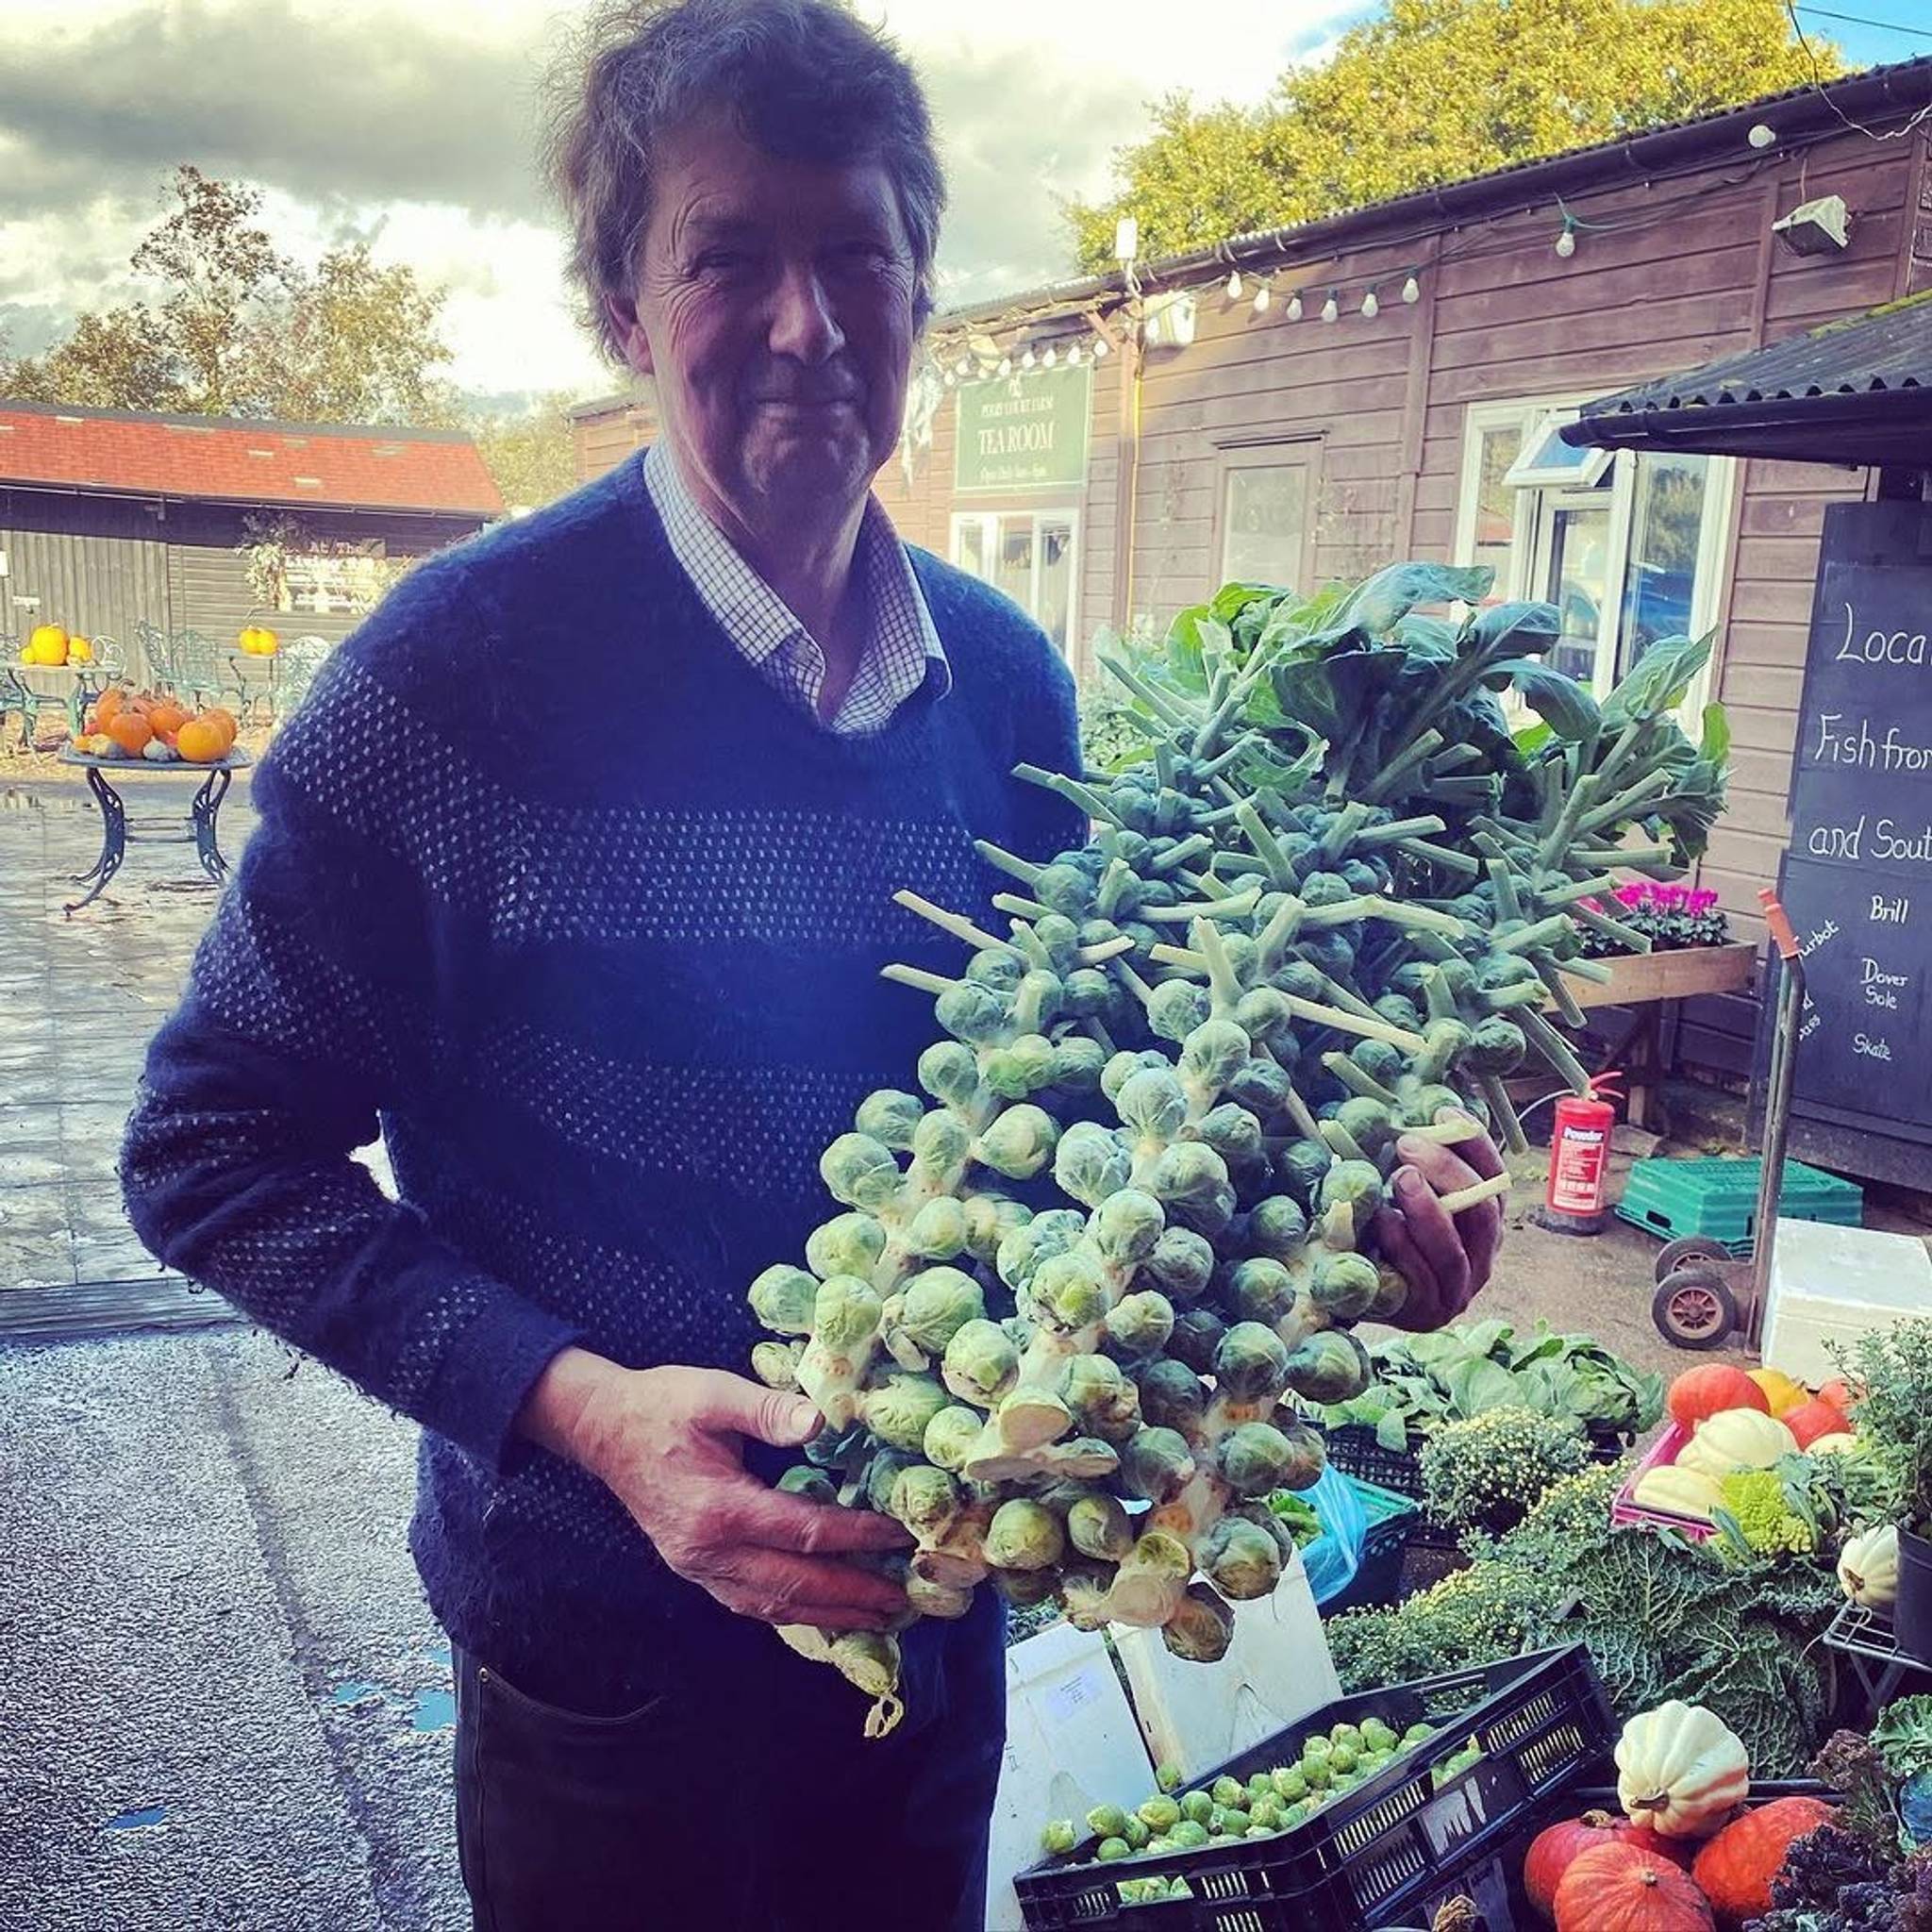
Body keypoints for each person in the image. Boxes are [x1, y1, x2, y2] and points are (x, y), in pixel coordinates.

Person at [121, 3, 1505, 1926]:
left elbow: (1105, 1104)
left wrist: (1354, 1213)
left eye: (855, 251)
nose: (804, 321)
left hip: (938, 1635)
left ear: (922, 288)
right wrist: (591, 1410)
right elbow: (207, 1152)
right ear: (623, 306)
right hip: (608, 1665)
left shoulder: (1007, 684)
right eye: (727, 256)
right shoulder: (454, 680)